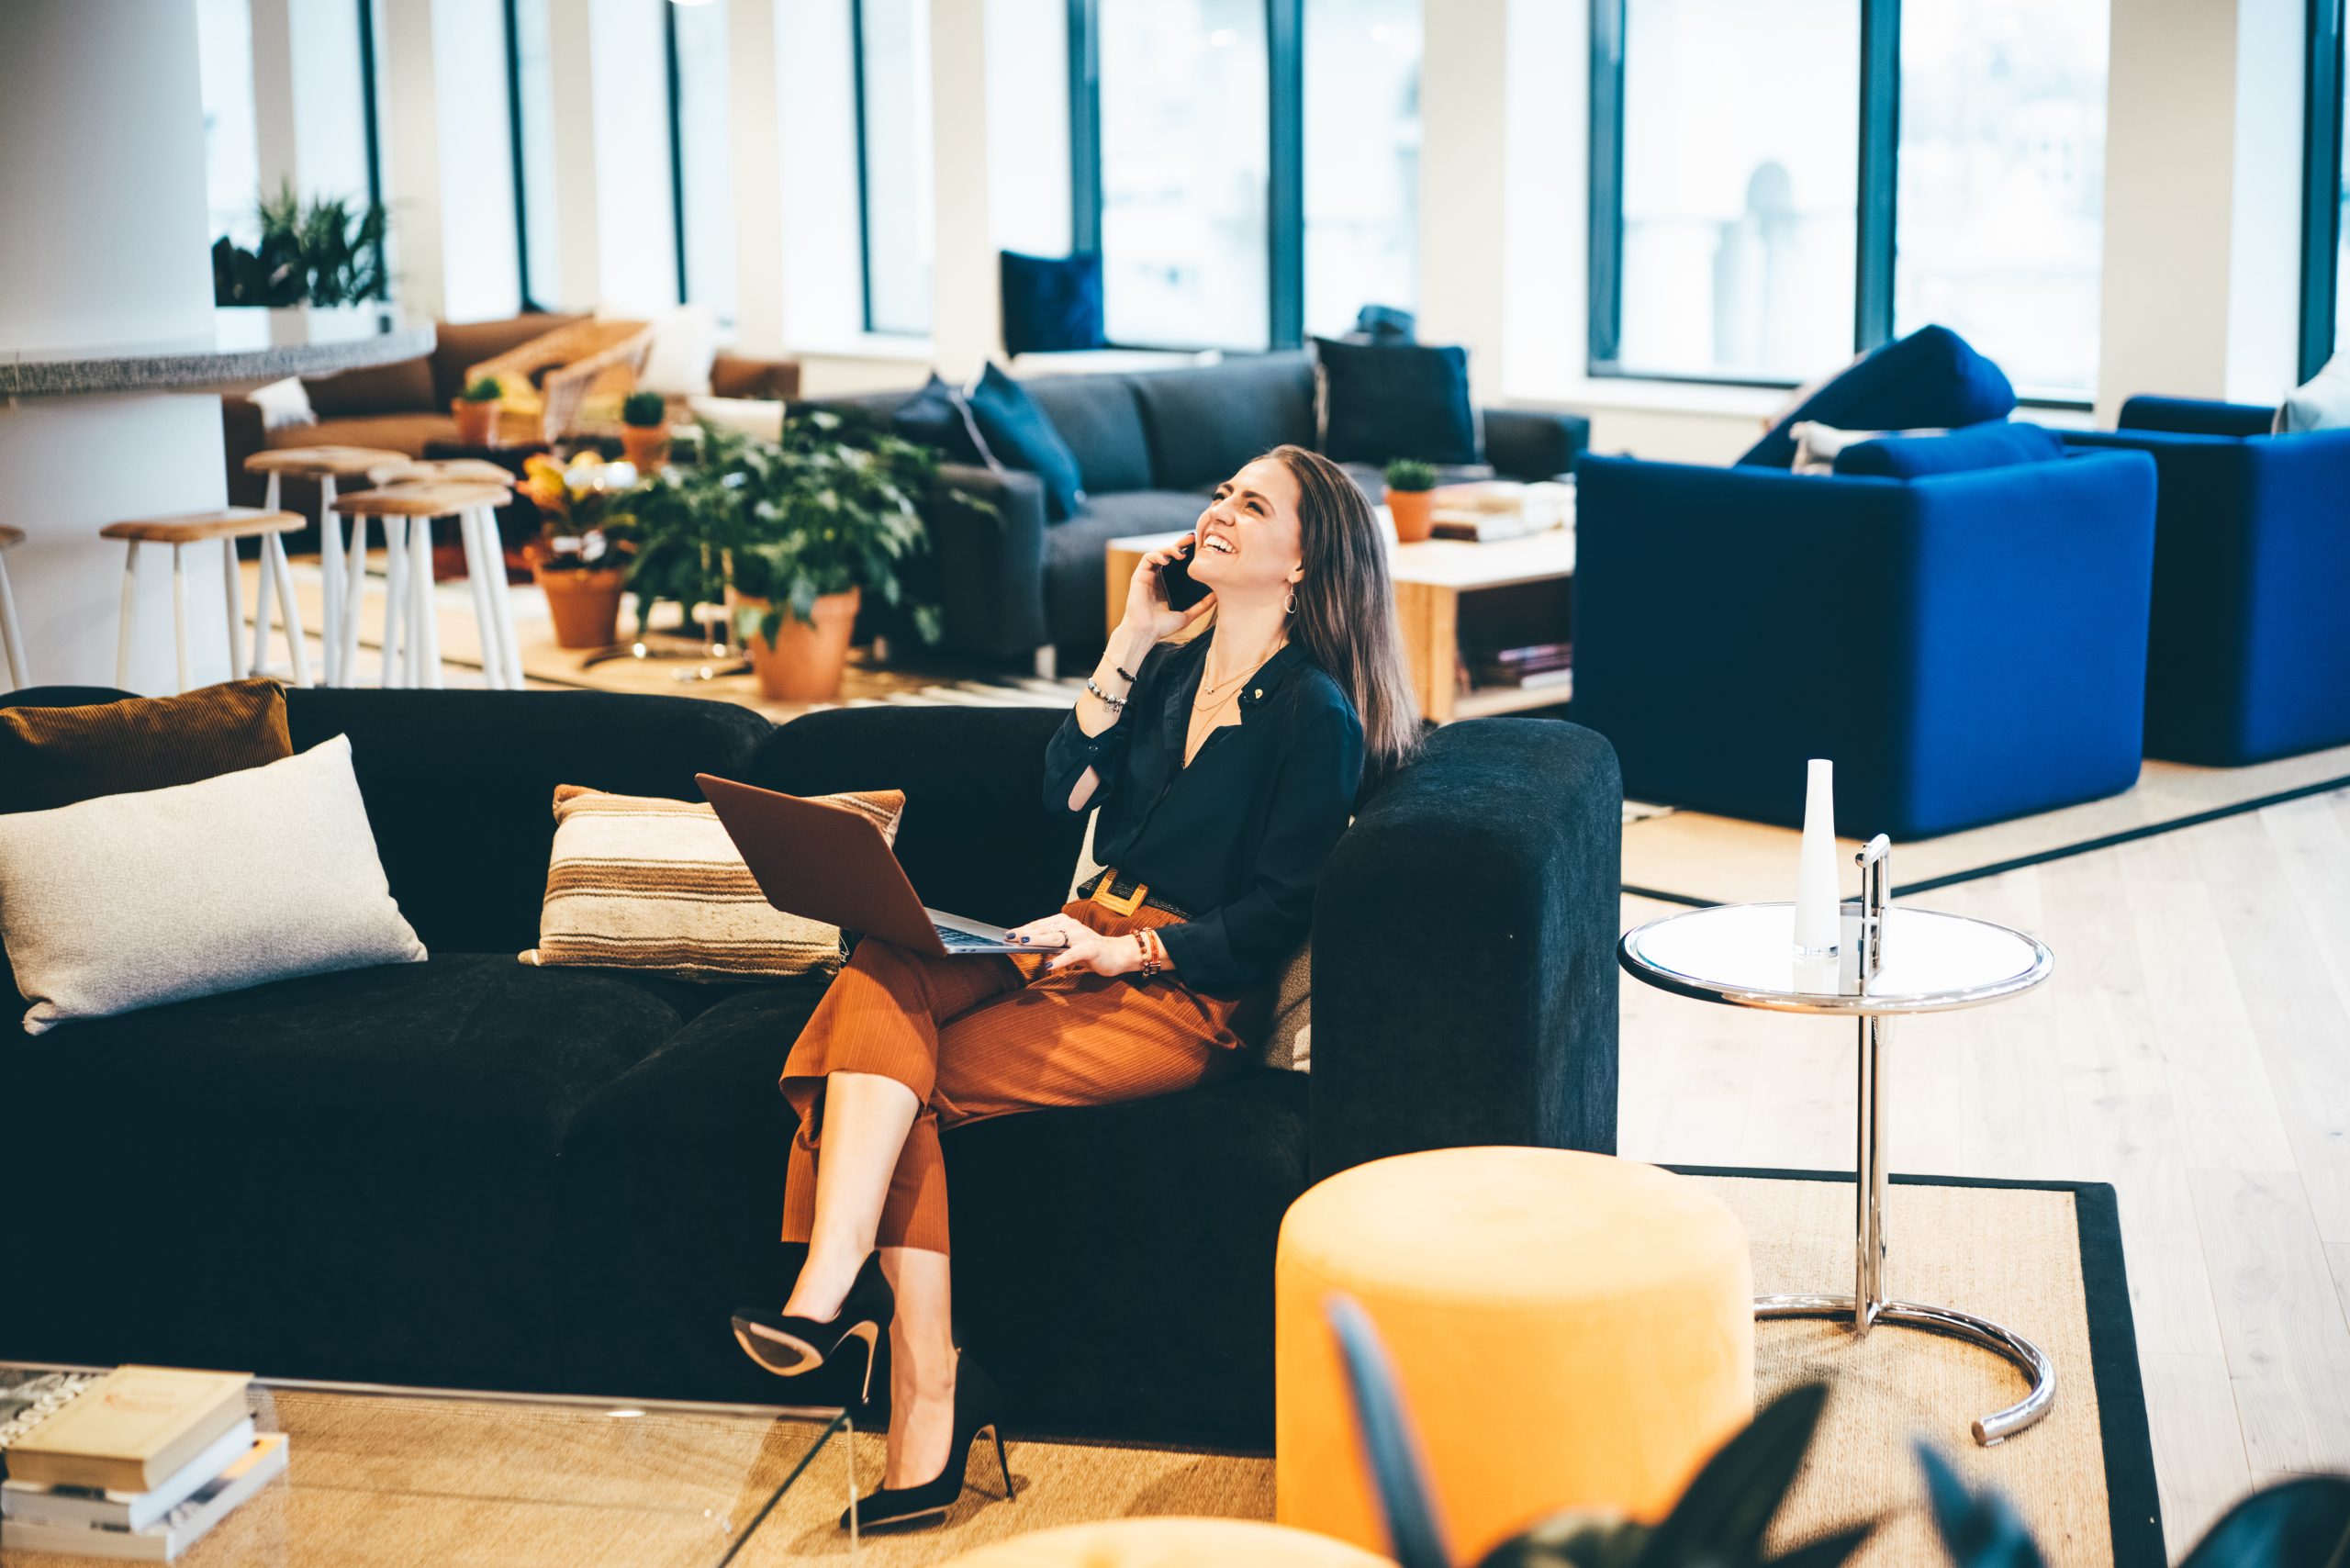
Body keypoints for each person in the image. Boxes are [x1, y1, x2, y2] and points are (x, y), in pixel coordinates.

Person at [728, 443, 1421, 1529]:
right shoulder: (1179, 666)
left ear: (1303, 560)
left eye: (1253, 503)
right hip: (1078, 925)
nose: (1220, 511)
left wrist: (1130, 953)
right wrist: (1135, 631)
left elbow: (1280, 911)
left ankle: (902, 1367)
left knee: (888, 1081)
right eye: (1221, 494)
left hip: (1176, 988)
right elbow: (1067, 792)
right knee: (883, 958)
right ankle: (851, 1301)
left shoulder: (1313, 713)